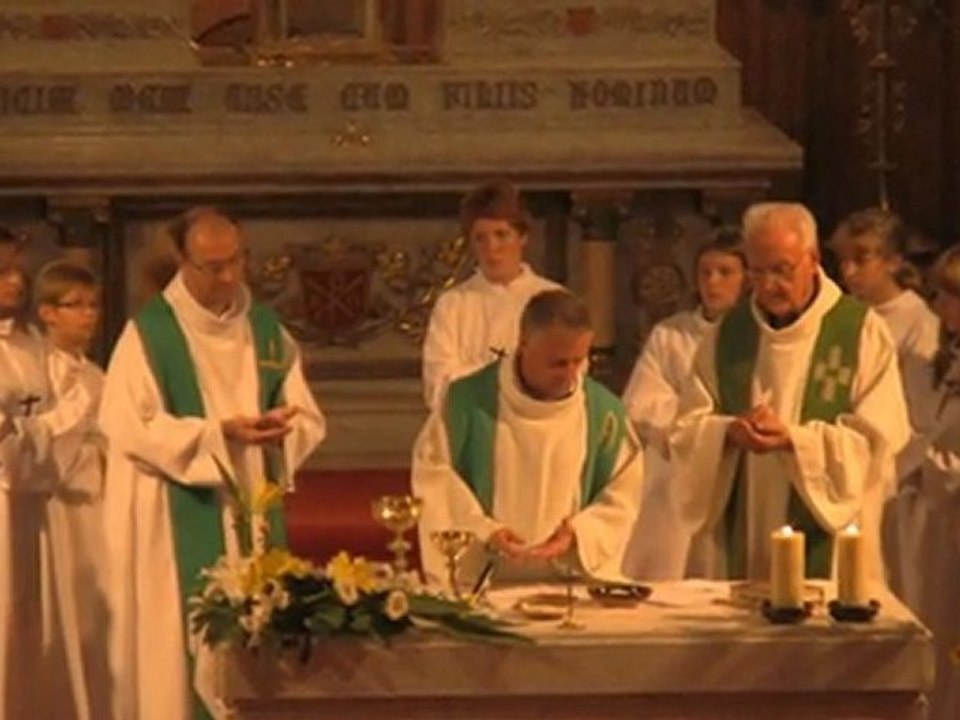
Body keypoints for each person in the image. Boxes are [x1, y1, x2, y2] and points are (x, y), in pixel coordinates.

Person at [99, 207, 326, 720]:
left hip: (250, 504)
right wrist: (216, 435)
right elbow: (126, 424)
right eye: (213, 266)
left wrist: (282, 429)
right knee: (175, 660)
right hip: (174, 513)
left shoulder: (265, 330)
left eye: (235, 261)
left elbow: (307, 413)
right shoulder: (150, 334)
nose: (228, 276)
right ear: (182, 260)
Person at [671, 202, 909, 585]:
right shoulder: (728, 335)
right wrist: (728, 432)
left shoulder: (859, 331)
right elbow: (685, 429)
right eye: (757, 271)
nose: (768, 285)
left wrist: (795, 442)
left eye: (781, 270)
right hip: (743, 533)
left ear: (812, 259)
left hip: (830, 547)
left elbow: (878, 439)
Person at [413, 289, 643, 587]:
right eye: (558, 363)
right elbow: (436, 479)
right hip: (486, 585)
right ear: (523, 344)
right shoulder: (466, 403)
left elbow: (622, 496)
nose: (570, 374)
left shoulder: (604, 414)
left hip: (570, 587)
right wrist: (485, 532)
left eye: (579, 361)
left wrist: (578, 535)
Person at [0, 234, 95, 719]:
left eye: (17, 269)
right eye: (3, 272)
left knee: (31, 625)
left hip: (31, 501)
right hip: (4, 497)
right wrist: (63, 420)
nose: (16, 280)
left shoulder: (30, 344)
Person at [830, 208, 940, 605]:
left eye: (861, 259)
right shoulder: (842, 317)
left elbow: (920, 414)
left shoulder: (917, 323)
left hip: (897, 478)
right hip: (845, 467)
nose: (849, 271)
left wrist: (888, 470)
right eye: (842, 259)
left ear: (894, 260)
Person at [621, 231, 746, 579]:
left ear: (746, 277)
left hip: (733, 460)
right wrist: (695, 423)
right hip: (675, 463)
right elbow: (640, 401)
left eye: (724, 272)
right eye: (705, 272)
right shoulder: (670, 334)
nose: (712, 282)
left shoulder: (755, 336)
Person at [34, 259, 110, 720]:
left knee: (91, 614)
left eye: (93, 305)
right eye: (74, 305)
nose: (88, 315)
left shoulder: (98, 376)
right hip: (51, 508)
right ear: (47, 313)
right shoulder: (34, 372)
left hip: (93, 506)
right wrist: (76, 416)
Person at [421, 179, 561, 410]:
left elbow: (565, 376)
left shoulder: (553, 300)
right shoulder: (452, 305)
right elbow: (438, 383)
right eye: (480, 238)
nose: (491, 248)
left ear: (522, 237)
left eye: (501, 234)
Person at [894, 244, 960, 720]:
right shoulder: (943, 359)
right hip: (932, 524)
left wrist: (930, 463)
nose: (936, 307)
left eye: (947, 295)